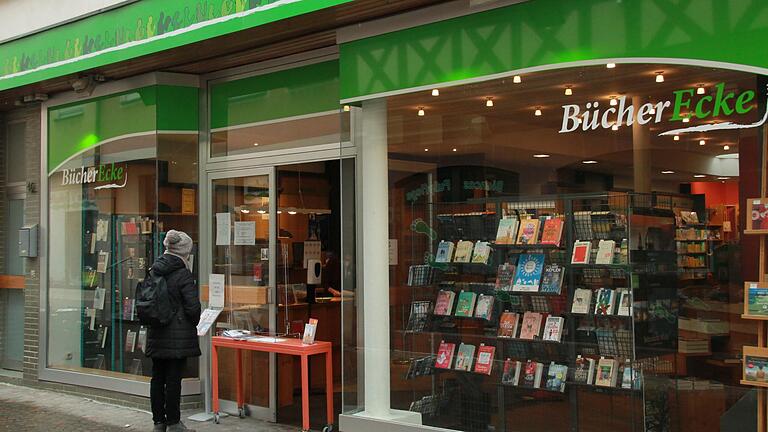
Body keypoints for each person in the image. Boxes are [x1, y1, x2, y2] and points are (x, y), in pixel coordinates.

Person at [146, 230, 201, 432]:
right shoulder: (182, 273)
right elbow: (193, 307)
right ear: (185, 252)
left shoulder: (154, 269)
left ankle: (158, 422)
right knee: (173, 379)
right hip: (177, 335)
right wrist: (192, 322)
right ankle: (174, 422)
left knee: (157, 377)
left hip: (156, 331)